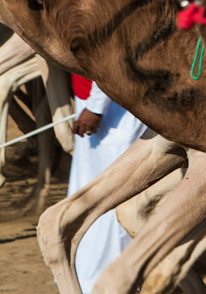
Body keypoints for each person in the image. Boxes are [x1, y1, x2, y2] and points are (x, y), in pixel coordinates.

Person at [68, 74, 147, 294]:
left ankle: (113, 281)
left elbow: (113, 48)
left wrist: (95, 106)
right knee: (89, 191)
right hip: (91, 100)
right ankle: (88, 279)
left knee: (114, 200)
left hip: (114, 110)